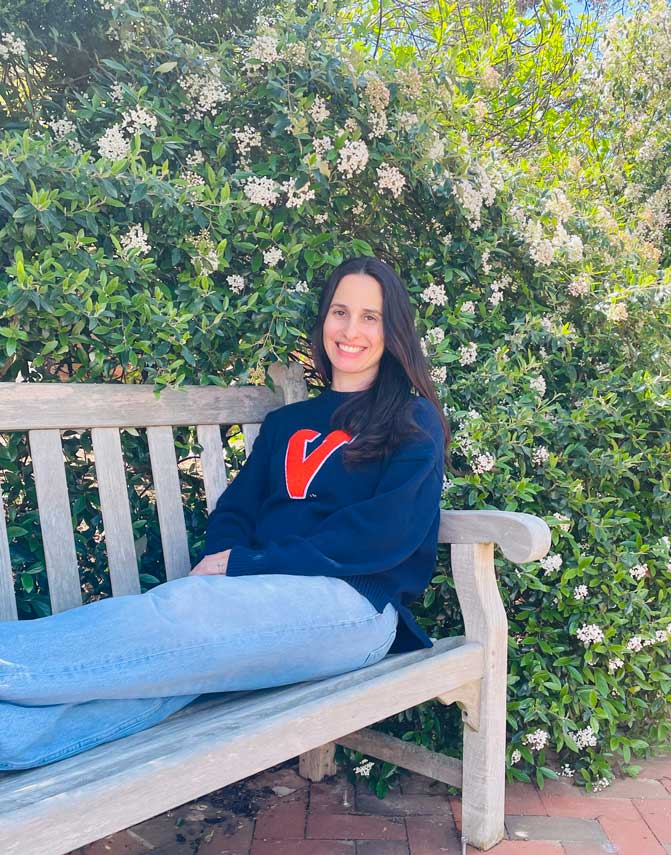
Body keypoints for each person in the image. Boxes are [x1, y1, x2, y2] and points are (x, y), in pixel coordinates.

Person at [0, 256, 450, 770]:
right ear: (323, 320)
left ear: (392, 331)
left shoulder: (412, 420)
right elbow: (237, 509)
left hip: (353, 604)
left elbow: (380, 536)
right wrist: (226, 560)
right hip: (252, 599)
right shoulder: (287, 424)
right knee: (162, 679)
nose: (351, 330)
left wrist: (241, 566)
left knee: (179, 615)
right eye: (339, 312)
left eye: (370, 317)